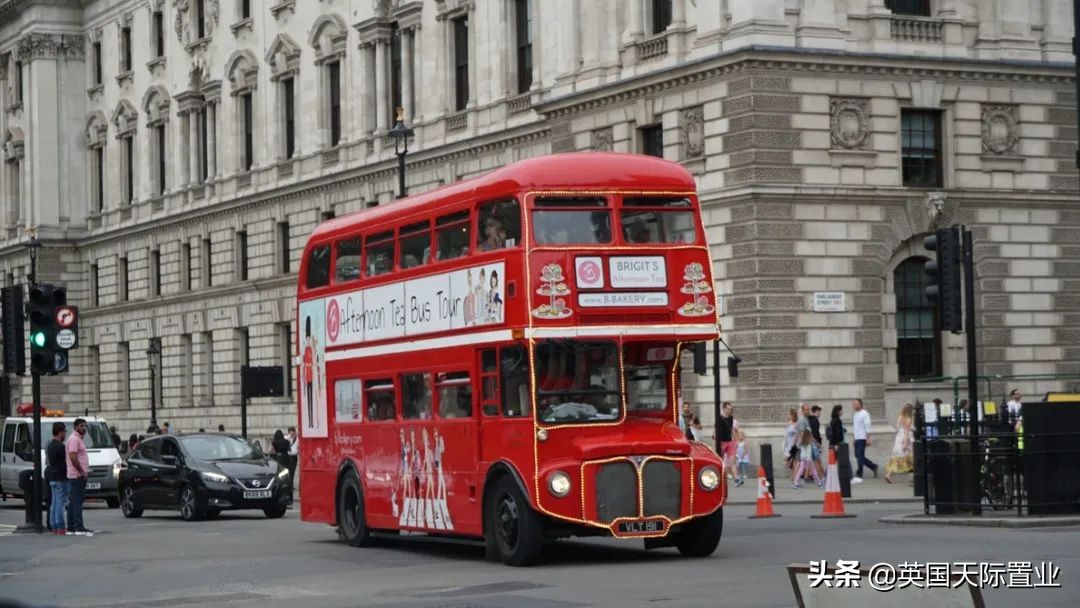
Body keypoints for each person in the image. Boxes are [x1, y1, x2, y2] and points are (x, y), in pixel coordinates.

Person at [66, 418, 92, 536]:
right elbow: (73, 456)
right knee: (77, 502)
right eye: (82, 426)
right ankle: (78, 526)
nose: (84, 428)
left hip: (77, 474)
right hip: (77, 475)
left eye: (85, 426)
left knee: (73, 501)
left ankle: (71, 526)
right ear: (76, 427)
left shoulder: (77, 439)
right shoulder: (74, 439)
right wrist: (81, 471)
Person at [46, 422, 69, 535]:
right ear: (60, 432)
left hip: (52, 477)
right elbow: (66, 462)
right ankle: (60, 525)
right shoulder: (61, 446)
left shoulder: (50, 445)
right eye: (64, 432)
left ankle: (54, 525)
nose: (65, 434)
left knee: (54, 503)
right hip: (60, 477)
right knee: (60, 503)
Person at [885, 404, 915, 484]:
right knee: (911, 457)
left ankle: (889, 474)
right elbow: (907, 431)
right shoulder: (908, 419)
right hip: (906, 438)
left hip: (899, 438)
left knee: (897, 457)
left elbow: (899, 429)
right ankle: (912, 477)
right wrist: (905, 443)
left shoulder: (900, 417)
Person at [851, 398, 877, 483]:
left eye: (856, 403)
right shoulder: (855, 414)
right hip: (857, 437)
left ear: (860, 404)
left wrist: (868, 438)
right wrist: (854, 438)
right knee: (857, 456)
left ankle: (859, 473)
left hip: (863, 438)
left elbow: (867, 426)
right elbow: (855, 427)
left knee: (860, 456)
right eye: (853, 404)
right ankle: (873, 466)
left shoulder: (865, 414)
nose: (854, 405)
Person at [717, 401, 740, 485]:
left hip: (730, 442)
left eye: (731, 409)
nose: (730, 410)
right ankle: (719, 478)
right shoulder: (719, 418)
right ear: (724, 409)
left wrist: (736, 441)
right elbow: (715, 429)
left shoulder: (730, 418)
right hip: (721, 442)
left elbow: (731, 430)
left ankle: (736, 479)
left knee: (733, 462)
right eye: (728, 409)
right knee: (720, 461)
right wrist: (714, 435)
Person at [808, 405, 825, 478]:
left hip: (812, 442)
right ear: (815, 412)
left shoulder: (811, 420)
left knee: (815, 460)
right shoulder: (815, 421)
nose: (820, 413)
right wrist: (817, 443)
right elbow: (815, 433)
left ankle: (812, 475)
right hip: (815, 443)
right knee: (817, 461)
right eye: (818, 411)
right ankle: (821, 476)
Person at [783, 408, 798, 480]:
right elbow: (786, 432)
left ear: (793, 415)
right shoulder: (789, 422)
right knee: (787, 460)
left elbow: (797, 434)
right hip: (788, 443)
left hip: (793, 443)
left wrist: (794, 444)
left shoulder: (796, 424)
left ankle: (794, 476)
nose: (789, 416)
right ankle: (793, 475)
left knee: (793, 461)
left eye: (790, 414)